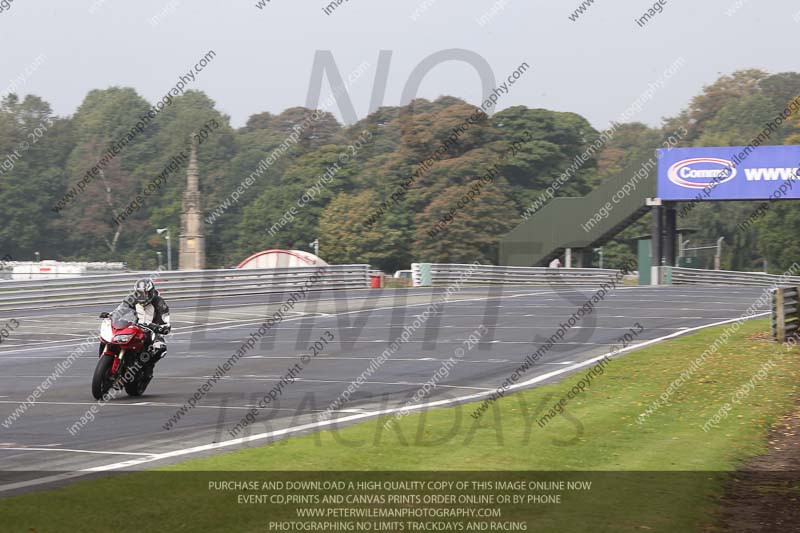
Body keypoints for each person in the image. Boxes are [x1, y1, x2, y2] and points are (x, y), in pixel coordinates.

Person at [122, 278, 172, 365]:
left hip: (152, 332)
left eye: (144, 293)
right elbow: (121, 310)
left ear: (151, 292)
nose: (141, 296)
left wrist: (160, 328)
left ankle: (147, 368)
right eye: (139, 293)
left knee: (160, 348)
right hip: (134, 328)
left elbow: (166, 324)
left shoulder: (159, 302)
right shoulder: (132, 299)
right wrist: (111, 315)